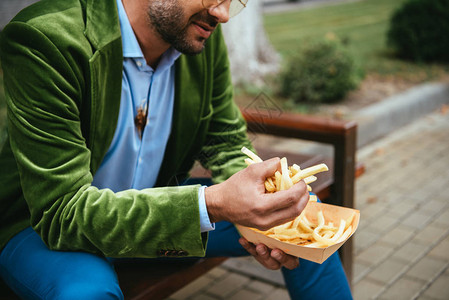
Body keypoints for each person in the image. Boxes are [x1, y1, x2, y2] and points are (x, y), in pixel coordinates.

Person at [0, 0, 353, 299]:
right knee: (87, 293)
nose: (224, 13)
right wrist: (213, 203)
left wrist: (261, 212)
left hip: (153, 205)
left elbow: (226, 141)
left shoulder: (197, 36)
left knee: (298, 214)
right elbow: (63, 212)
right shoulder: (45, 38)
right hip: (46, 228)